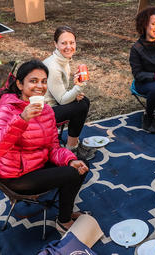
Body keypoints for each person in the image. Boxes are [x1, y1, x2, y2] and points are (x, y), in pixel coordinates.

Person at [0, 60, 89, 235]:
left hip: (37, 164)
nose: (40, 86)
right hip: (16, 175)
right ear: (20, 84)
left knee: (79, 165)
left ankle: (66, 211)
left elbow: (53, 148)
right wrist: (22, 119)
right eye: (33, 81)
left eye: (43, 81)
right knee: (71, 173)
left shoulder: (47, 111)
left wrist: (70, 159)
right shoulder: (7, 108)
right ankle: (64, 221)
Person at [43, 26, 95, 160]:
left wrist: (74, 92)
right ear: (55, 44)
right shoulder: (53, 66)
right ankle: (72, 148)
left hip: (52, 104)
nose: (68, 46)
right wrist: (79, 86)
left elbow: (59, 92)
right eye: (63, 43)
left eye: (72, 42)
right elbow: (62, 100)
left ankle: (73, 143)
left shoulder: (62, 60)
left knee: (83, 101)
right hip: (42, 113)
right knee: (81, 105)